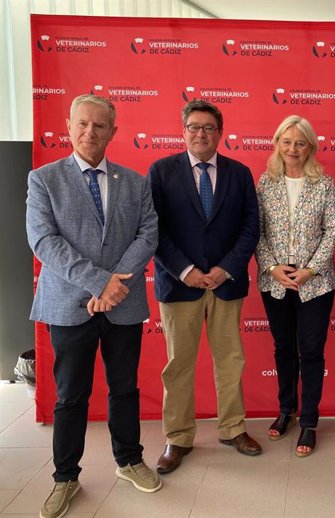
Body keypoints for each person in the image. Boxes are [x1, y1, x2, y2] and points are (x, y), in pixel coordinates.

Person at [26, 94, 160, 518]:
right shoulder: (43, 179)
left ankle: (129, 460)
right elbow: (45, 241)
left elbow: (148, 235)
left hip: (122, 306)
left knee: (124, 389)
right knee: (71, 396)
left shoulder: (135, 183)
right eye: (82, 124)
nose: (90, 132)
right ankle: (65, 476)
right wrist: (101, 281)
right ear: (68, 126)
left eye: (100, 126)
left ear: (113, 132)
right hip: (69, 305)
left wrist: (114, 286)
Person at [148, 100, 261, 474]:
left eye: (209, 128)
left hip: (226, 284)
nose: (201, 134)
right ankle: (178, 437)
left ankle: (232, 429)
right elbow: (155, 231)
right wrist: (186, 270)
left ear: (220, 133)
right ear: (183, 131)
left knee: (230, 360)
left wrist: (226, 269)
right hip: (180, 285)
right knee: (179, 363)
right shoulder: (161, 172)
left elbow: (250, 228)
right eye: (194, 127)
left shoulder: (239, 173)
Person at [255, 115, 335, 457]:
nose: (292, 149)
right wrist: (273, 267)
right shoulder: (265, 183)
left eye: (300, 142)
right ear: (277, 144)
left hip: (315, 284)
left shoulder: (324, 183)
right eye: (286, 142)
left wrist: (309, 270)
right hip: (274, 281)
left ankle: (309, 420)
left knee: (311, 351)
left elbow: (333, 231)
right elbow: (256, 232)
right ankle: (286, 409)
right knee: (283, 348)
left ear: (310, 147)